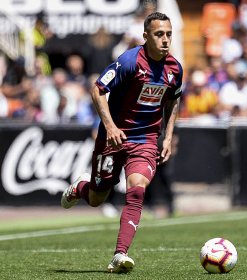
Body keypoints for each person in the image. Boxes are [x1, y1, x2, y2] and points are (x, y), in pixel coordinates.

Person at [60, 12, 183, 273]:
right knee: (96, 198)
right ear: (146, 36)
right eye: (159, 34)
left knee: (136, 189)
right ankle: (81, 187)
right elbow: (97, 89)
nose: (165, 40)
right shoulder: (130, 61)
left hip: (146, 139)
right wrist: (111, 127)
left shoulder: (175, 69)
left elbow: (173, 100)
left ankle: (119, 255)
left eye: (169, 34)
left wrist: (168, 136)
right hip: (113, 139)